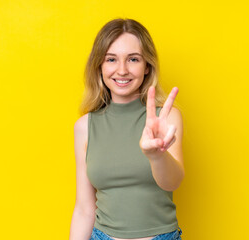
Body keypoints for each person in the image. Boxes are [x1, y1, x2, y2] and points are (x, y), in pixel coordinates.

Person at [69, 18, 185, 240]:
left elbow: (173, 182)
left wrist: (156, 156)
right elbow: (84, 208)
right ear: (99, 66)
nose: (122, 70)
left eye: (133, 59)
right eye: (111, 59)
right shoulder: (84, 127)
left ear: (147, 66)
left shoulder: (167, 117)